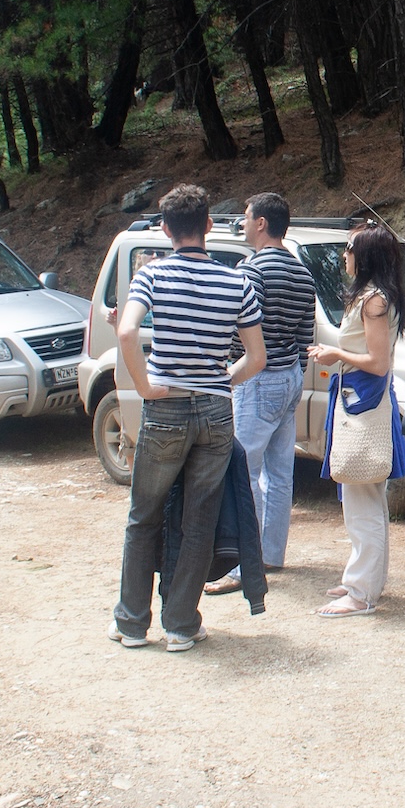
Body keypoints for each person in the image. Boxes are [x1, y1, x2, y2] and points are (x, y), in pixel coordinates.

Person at [112, 184, 266, 652]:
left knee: (144, 515)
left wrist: (143, 386)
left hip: (166, 406)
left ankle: (132, 624)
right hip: (216, 413)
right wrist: (223, 381)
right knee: (198, 520)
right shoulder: (237, 281)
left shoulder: (151, 276)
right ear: (209, 226)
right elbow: (255, 357)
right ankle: (181, 624)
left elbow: (126, 330)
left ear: (164, 230)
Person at [205, 192, 317, 595]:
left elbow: (240, 328)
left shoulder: (250, 271)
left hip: (259, 377)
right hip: (290, 377)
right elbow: (307, 333)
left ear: (262, 224)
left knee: (244, 472)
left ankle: (241, 565)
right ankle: (271, 554)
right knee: (280, 472)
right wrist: (295, 374)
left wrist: (233, 368)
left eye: (246, 218)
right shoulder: (303, 273)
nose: (242, 224)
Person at [307, 223, 405, 619]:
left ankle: (361, 592)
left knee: (362, 500)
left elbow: (378, 362)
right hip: (359, 399)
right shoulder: (374, 298)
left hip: (363, 401)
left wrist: (337, 356)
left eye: (349, 248)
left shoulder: (374, 301)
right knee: (365, 499)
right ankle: (363, 581)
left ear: (364, 255)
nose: (344, 255)